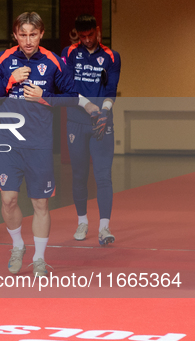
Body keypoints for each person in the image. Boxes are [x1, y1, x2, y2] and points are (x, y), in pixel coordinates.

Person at [0, 12, 97, 276]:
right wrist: (9, 81)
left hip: (40, 144)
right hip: (9, 142)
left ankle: (39, 258)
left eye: (32, 34)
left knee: (40, 204)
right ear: (15, 35)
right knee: (9, 200)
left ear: (41, 34)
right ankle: (17, 246)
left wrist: (44, 97)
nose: (27, 40)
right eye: (22, 35)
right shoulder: (3, 60)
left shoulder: (54, 62)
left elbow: (71, 97)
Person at [61, 14, 121, 245]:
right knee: (79, 174)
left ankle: (104, 228)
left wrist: (104, 111)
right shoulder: (69, 54)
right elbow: (66, 87)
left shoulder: (111, 56)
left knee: (103, 175)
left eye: (90, 35)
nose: (87, 40)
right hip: (76, 120)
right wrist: (86, 105)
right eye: (82, 36)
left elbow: (111, 88)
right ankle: (82, 221)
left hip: (101, 122)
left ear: (97, 30)